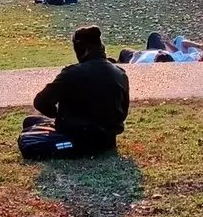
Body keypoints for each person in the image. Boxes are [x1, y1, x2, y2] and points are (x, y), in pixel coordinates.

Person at [18, 26, 129, 160]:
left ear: (81, 49)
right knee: (30, 121)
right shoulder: (120, 73)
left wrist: (59, 115)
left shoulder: (71, 74)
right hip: (108, 140)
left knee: (26, 142)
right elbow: (123, 112)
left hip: (78, 140)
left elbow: (40, 102)